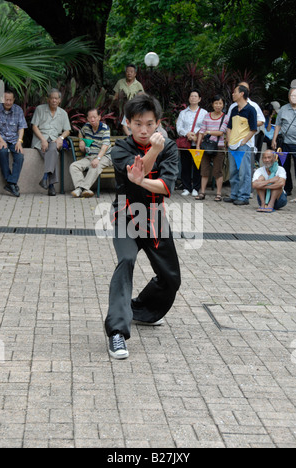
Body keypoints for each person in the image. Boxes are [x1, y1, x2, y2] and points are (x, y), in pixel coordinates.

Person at [105, 94, 181, 360]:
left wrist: (143, 180)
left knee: (170, 278)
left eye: (150, 124)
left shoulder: (169, 147)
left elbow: (165, 186)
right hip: (125, 215)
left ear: (158, 123)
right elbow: (135, 171)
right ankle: (116, 331)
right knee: (126, 260)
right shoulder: (120, 148)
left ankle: (140, 311)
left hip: (154, 217)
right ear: (128, 123)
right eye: (138, 123)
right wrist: (153, 153)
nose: (144, 130)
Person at [31, 89, 71, 196]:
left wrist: (61, 138)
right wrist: (43, 140)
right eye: (52, 98)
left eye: (56, 98)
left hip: (54, 140)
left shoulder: (63, 113)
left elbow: (67, 130)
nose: (54, 100)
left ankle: (45, 178)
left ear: (59, 100)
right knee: (53, 153)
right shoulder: (40, 109)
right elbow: (34, 126)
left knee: (52, 148)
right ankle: (51, 185)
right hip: (40, 139)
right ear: (48, 100)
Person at [224, 85, 257, 206]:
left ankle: (244, 196)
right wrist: (228, 139)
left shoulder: (251, 109)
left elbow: (253, 129)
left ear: (242, 94)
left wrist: (244, 141)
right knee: (233, 171)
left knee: (244, 172)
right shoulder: (233, 109)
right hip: (232, 145)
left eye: (235, 92)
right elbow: (229, 127)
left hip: (243, 146)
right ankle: (234, 195)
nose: (233, 94)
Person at [70, 108, 112, 198]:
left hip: (104, 156)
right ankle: (84, 189)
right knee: (74, 166)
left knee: (95, 166)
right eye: (90, 117)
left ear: (99, 117)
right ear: (87, 119)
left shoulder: (105, 128)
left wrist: (98, 159)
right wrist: (81, 141)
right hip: (90, 156)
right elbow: (80, 132)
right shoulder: (86, 127)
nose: (92, 119)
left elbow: (105, 146)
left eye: (94, 117)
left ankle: (80, 189)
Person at [196, 95, 229, 201]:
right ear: (212, 104)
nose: (218, 105)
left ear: (223, 104)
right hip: (205, 146)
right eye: (216, 103)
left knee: (217, 171)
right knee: (204, 170)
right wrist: (197, 146)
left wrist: (208, 132)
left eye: (220, 103)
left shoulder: (225, 117)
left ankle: (218, 193)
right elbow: (201, 131)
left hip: (218, 147)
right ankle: (202, 192)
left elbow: (221, 132)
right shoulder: (207, 115)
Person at [176, 89, 208, 197]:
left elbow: (205, 127)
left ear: (199, 99)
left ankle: (196, 188)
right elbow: (179, 127)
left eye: (195, 96)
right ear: (189, 98)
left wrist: (196, 136)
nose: (193, 98)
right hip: (186, 143)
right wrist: (187, 134)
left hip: (197, 143)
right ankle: (186, 187)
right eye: (191, 96)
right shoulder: (183, 113)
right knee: (185, 165)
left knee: (197, 166)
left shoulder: (204, 113)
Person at [0, 90, 27, 197]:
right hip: (1, 138)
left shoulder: (18, 110)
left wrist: (19, 141)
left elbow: (21, 127)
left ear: (13, 100)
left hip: (14, 139)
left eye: (10, 100)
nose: (8, 102)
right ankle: (11, 183)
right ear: (2, 99)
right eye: (6, 100)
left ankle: (10, 182)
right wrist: (1, 140)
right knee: (2, 152)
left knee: (20, 156)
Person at [272, 88, 296, 196]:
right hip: (285, 143)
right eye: (292, 95)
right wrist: (274, 139)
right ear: (288, 97)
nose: (294, 98)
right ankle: (287, 189)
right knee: (284, 166)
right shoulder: (283, 109)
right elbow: (278, 125)